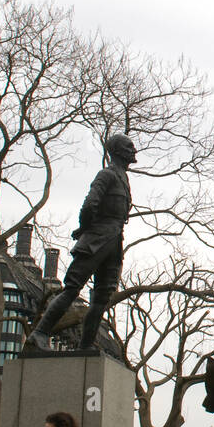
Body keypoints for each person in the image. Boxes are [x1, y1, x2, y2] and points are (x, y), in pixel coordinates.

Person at [26, 133, 137, 351]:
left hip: (114, 242)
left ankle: (86, 346)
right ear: (117, 150)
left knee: (101, 298)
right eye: (129, 146)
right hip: (96, 240)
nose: (134, 150)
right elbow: (89, 205)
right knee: (72, 289)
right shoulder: (107, 175)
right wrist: (87, 230)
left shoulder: (123, 178)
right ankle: (39, 333)